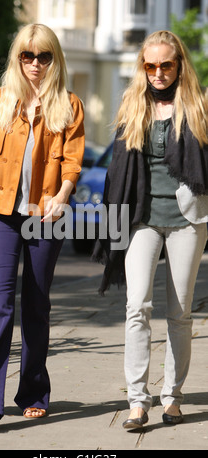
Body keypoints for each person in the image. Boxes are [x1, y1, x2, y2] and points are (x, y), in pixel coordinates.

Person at [0, 23, 85, 427]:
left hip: (44, 216)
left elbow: (72, 161)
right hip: (0, 213)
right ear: (18, 58)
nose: (35, 64)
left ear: (55, 60)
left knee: (36, 303)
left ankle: (34, 390)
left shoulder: (68, 104)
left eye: (44, 56)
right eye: (27, 56)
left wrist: (62, 196)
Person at [93, 30, 208, 430]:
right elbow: (118, 173)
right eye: (150, 65)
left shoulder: (199, 104)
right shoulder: (133, 105)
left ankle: (172, 397)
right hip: (140, 218)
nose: (158, 72)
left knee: (179, 313)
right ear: (143, 67)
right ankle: (138, 401)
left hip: (187, 221)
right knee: (136, 306)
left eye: (166, 65)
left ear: (179, 65)